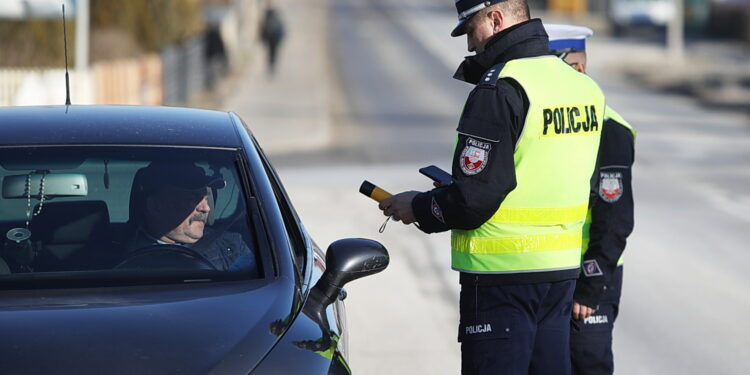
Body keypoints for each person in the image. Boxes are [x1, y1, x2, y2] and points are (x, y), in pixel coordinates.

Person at [377, 1, 607, 373]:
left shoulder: (501, 88)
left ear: (496, 19)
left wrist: (418, 207)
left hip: (502, 280)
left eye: (471, 30)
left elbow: (472, 200)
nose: (470, 45)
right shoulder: (583, 88)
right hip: (561, 274)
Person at [545, 24, 636, 375]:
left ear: (577, 68)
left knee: (587, 365)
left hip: (588, 276)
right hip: (550, 270)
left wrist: (590, 284)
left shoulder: (608, 127)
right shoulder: (550, 121)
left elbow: (615, 217)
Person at [128, 161, 257, 273]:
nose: (206, 208)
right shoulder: (114, 255)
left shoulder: (232, 245)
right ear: (155, 205)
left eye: (206, 198)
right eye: (193, 198)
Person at [260, 2, 285, 76]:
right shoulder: (270, 14)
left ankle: (271, 65)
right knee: (272, 52)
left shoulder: (269, 14)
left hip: (272, 37)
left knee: (271, 52)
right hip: (272, 38)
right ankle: (271, 65)